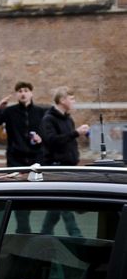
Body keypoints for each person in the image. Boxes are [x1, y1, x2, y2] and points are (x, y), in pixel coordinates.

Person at [0, 81, 48, 232]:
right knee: (19, 196)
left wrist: (42, 139)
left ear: (31, 93)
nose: (23, 93)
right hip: (16, 159)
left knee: (35, 196)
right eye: (20, 91)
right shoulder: (10, 112)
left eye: (26, 90)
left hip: (36, 159)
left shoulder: (41, 112)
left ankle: (43, 229)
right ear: (16, 94)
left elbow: (48, 133)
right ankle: (23, 229)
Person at [40, 86, 89, 236]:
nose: (74, 101)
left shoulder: (68, 119)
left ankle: (45, 233)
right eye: (71, 98)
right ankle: (76, 235)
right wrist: (75, 133)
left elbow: (68, 141)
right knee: (64, 202)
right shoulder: (49, 119)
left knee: (56, 206)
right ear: (62, 100)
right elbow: (51, 140)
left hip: (69, 166)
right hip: (56, 166)